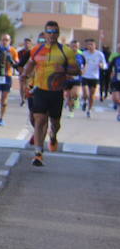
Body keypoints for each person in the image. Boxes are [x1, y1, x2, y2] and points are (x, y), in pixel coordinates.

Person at [21, 22, 78, 166]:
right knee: (39, 120)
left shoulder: (66, 51)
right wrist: (24, 76)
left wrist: (64, 69)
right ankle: (38, 154)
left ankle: (53, 136)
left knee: (55, 123)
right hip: (40, 90)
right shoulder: (37, 50)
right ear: (45, 34)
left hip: (56, 92)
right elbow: (30, 64)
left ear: (58, 34)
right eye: (49, 32)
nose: (52, 35)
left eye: (54, 32)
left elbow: (77, 70)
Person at [0, 33, 17, 126]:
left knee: (4, 101)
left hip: (7, 76)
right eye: (3, 40)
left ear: (10, 41)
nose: (5, 42)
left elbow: (17, 63)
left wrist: (11, 60)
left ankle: (1, 118)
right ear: (0, 41)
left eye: (7, 40)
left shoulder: (13, 51)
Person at [77, 38, 105, 117]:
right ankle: (84, 102)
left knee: (91, 95)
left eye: (91, 44)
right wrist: (81, 69)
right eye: (88, 44)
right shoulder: (84, 54)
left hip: (94, 77)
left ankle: (89, 110)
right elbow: (80, 63)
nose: (89, 46)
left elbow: (104, 64)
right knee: (85, 93)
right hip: (85, 76)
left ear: (95, 45)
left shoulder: (99, 54)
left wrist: (102, 66)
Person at [15, 37, 33, 107]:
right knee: (22, 85)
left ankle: (27, 96)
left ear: (30, 44)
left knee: (28, 85)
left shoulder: (33, 52)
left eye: (28, 43)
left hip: (31, 72)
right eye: (25, 43)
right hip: (22, 71)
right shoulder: (20, 52)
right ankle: (22, 99)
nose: (26, 44)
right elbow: (17, 62)